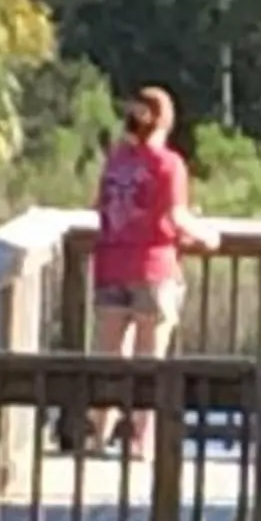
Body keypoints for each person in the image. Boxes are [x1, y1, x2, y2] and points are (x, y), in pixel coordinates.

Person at [88, 86, 218, 454]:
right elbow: (175, 217)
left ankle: (98, 436)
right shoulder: (168, 164)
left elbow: (101, 206)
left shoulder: (115, 160)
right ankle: (141, 443)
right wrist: (208, 235)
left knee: (108, 359)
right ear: (166, 122)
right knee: (151, 362)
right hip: (154, 268)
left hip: (110, 265)